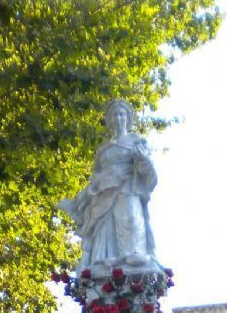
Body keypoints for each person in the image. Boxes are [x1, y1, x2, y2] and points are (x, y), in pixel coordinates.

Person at [57, 99, 161, 272]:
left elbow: (145, 169)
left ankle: (133, 262)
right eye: (114, 115)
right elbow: (96, 174)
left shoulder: (137, 141)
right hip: (103, 193)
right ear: (109, 120)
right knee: (104, 228)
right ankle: (107, 264)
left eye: (121, 114)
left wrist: (143, 161)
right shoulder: (103, 149)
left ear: (127, 118)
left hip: (127, 188)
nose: (118, 118)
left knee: (131, 220)